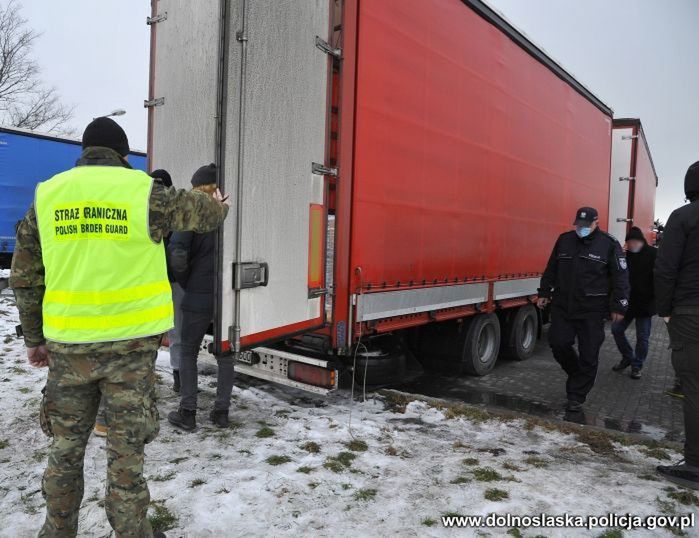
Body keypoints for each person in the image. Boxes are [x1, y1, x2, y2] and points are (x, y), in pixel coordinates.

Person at [9, 116, 230, 537]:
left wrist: (35, 339)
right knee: (125, 452)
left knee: (65, 451)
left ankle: (56, 532)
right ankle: (131, 532)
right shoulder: (144, 192)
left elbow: (25, 276)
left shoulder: (48, 195)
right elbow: (205, 215)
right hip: (130, 352)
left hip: (68, 349)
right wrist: (218, 203)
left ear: (83, 154)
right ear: (123, 155)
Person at [93, 167, 178, 437]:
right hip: (139, 303)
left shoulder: (134, 213)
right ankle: (110, 420)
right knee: (127, 365)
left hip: (128, 299)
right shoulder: (157, 221)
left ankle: (107, 418)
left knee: (119, 363)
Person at [537, 207, 630, 412]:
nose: (582, 229)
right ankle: (577, 373)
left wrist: (619, 306)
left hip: (592, 310)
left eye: (587, 226)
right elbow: (551, 268)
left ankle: (576, 396)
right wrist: (544, 292)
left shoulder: (609, 244)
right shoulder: (564, 240)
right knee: (558, 343)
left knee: (589, 354)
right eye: (579, 225)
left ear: (597, 223)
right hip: (563, 306)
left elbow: (621, 278)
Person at [167, 164, 235, 430]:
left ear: (198, 188)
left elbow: (177, 253)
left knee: (187, 351)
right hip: (228, 295)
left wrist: (185, 281)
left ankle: (188, 412)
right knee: (225, 353)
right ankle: (221, 413)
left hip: (198, 294)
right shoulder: (228, 212)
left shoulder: (193, 215)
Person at [654, 161, 699, 490]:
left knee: (694, 386)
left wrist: (665, 310)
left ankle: (695, 464)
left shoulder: (683, 217)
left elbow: (665, 268)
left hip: (690, 313)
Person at [611, 226, 657, 379]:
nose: (633, 245)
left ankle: (637, 366)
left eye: (636, 241)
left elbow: (661, 277)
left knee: (642, 338)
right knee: (617, 330)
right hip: (628, 303)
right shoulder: (624, 256)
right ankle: (628, 357)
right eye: (630, 242)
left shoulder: (654, 254)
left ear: (642, 241)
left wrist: (657, 298)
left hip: (646, 304)